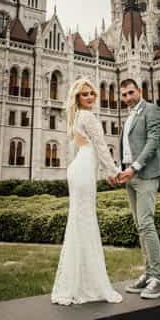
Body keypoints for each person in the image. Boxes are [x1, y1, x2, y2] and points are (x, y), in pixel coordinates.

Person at [50, 77, 124, 305]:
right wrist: (113, 172)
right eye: (85, 94)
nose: (90, 96)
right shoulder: (88, 117)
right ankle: (91, 285)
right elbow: (101, 147)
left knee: (79, 223)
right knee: (86, 222)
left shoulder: (76, 117)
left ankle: (78, 282)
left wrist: (103, 171)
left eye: (92, 93)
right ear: (77, 98)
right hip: (82, 172)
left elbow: (86, 150)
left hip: (78, 170)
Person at [115, 77, 160, 300]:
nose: (127, 97)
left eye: (130, 93)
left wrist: (135, 167)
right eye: (124, 94)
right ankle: (148, 273)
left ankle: (158, 278)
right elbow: (128, 148)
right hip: (129, 175)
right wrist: (121, 168)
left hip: (145, 174)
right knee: (139, 226)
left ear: (139, 90)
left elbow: (153, 141)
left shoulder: (151, 109)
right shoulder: (129, 116)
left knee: (146, 223)